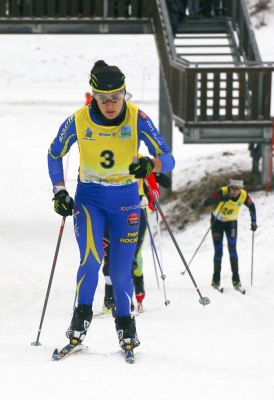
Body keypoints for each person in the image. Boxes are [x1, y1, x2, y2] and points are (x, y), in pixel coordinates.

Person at [47, 60, 175, 352]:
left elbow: (167, 156)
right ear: (92, 95)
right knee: (90, 260)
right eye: (102, 99)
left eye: (116, 98)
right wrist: (59, 190)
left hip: (126, 201)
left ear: (124, 94)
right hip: (90, 200)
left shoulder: (137, 118)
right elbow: (54, 153)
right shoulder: (78, 120)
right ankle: (79, 321)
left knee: (120, 272)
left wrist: (151, 164)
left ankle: (125, 325)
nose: (109, 104)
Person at [102, 172, 170, 314]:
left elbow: (155, 194)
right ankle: (109, 299)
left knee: (132, 256)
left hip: (136, 213)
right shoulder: (109, 156)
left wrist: (149, 196)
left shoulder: (142, 162)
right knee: (109, 255)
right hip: (112, 211)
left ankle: (135, 294)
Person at [203, 177, 257, 290]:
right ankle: (216, 280)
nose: (236, 191)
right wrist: (222, 198)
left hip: (231, 223)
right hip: (217, 222)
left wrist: (253, 221)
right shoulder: (223, 191)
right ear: (229, 187)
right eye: (233, 188)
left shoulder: (243, 195)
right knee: (218, 251)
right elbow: (207, 202)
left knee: (232, 250)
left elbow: (251, 206)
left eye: (238, 188)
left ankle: (236, 280)